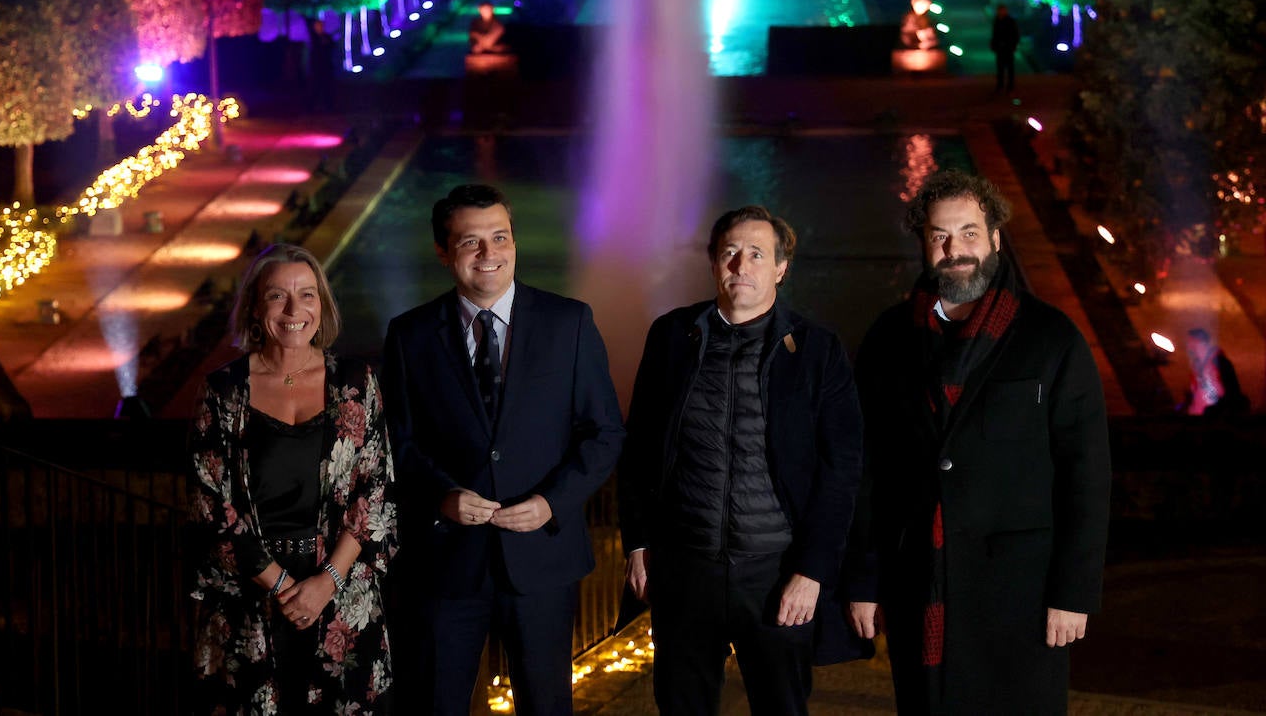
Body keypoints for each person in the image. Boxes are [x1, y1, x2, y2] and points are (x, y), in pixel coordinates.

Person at [845, 169, 1110, 715]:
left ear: (994, 238)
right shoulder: (888, 339)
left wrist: (1073, 593)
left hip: (1022, 595)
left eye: (969, 232)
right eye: (940, 235)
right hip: (918, 583)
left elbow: (1087, 473)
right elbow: (865, 472)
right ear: (923, 243)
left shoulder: (1051, 339)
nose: (954, 249)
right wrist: (865, 580)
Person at [382, 183, 624, 716]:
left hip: (541, 559)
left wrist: (551, 502)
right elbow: (395, 441)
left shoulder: (570, 323)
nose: (489, 254)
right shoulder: (410, 335)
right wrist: (442, 497)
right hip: (445, 562)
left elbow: (604, 433)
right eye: (471, 242)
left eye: (500, 238)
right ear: (444, 252)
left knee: (545, 704)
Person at [618, 206, 862, 716]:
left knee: (782, 707)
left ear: (780, 268)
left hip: (775, 576)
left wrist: (812, 573)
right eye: (730, 253)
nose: (741, 266)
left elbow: (842, 471)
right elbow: (639, 447)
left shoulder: (818, 350)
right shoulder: (671, 336)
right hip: (685, 570)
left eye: (757, 254)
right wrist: (638, 542)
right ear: (713, 263)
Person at [187, 243, 398, 714]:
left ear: (321, 305)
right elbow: (210, 507)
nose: (293, 309)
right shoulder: (222, 391)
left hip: (343, 600)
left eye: (306, 295)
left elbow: (375, 492)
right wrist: (282, 586)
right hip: (251, 602)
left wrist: (327, 581)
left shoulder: (356, 382)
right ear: (255, 308)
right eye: (277, 296)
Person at [1179, 327, 1249, 416]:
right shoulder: (1196, 367)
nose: (1188, 345)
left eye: (1190, 341)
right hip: (1198, 419)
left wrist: (1218, 410)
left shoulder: (1220, 363)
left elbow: (1233, 392)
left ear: (1199, 342)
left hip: (1215, 420)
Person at [990, 3, 1020, 92]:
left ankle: (1009, 85)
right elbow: (995, 34)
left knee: (1009, 67)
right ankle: (1001, 85)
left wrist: (1013, 45)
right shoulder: (997, 21)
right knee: (1000, 68)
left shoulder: (1009, 21)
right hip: (1000, 48)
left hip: (1008, 47)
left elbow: (1015, 34)